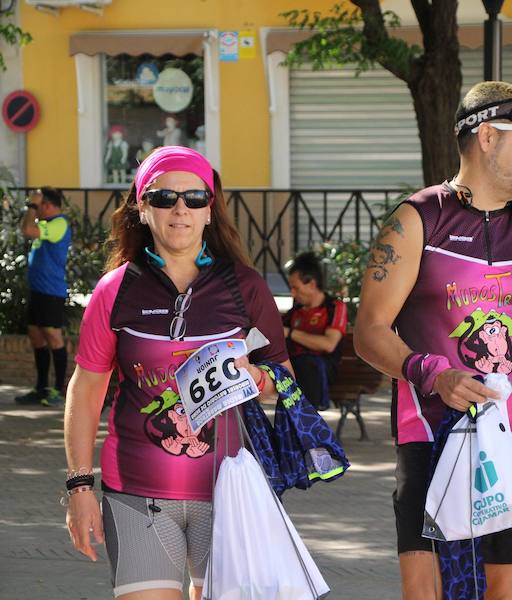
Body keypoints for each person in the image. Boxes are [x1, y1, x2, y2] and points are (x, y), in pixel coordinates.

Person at [354, 81, 512, 600]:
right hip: (430, 441)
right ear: (486, 136)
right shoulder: (417, 218)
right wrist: (433, 373)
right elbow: (368, 331)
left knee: (499, 596)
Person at [63, 146, 290, 600]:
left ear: (211, 209)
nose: (180, 209)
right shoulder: (115, 290)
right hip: (136, 493)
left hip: (230, 494)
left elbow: (282, 380)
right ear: (143, 209)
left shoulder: (246, 287)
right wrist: (78, 486)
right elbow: (86, 390)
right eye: (164, 198)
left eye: (194, 197)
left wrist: (258, 378)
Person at [15, 186, 72, 407]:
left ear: (46, 205)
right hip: (37, 291)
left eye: (37, 205)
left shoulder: (59, 223)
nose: (34, 209)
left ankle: (58, 390)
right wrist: (33, 205)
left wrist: (30, 206)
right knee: (36, 336)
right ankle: (41, 388)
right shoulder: (45, 224)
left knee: (53, 336)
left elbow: (27, 229)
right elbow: (28, 228)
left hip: (51, 291)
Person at [282, 251, 348, 410]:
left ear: (312, 284)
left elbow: (329, 344)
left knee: (306, 363)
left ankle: (308, 417)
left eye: (295, 288)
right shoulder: (295, 312)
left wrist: (290, 333)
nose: (292, 293)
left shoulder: (334, 307)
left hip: (322, 370)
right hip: (296, 370)